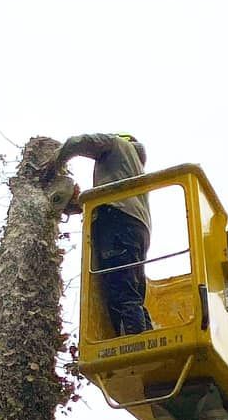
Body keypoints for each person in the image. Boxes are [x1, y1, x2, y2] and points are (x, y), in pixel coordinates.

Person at [49, 133, 153, 335]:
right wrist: (80, 204)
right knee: (133, 291)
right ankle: (146, 339)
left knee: (121, 291)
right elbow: (111, 197)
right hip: (138, 229)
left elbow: (77, 143)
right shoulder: (137, 172)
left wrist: (55, 163)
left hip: (116, 222)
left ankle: (135, 342)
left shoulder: (116, 144)